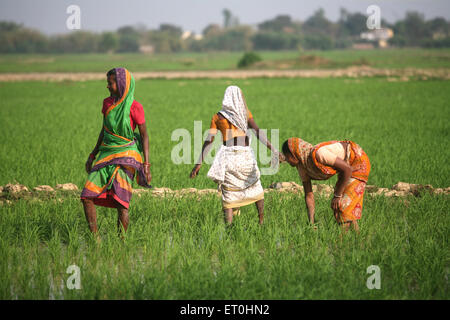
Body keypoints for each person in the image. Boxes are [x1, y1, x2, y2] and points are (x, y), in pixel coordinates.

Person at [190, 85, 282, 225]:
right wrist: (273, 149)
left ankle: (230, 227)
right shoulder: (245, 114)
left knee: (229, 194)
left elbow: (209, 140)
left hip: (229, 158)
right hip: (245, 157)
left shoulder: (217, 117)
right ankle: (261, 221)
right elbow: (258, 132)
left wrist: (198, 163)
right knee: (255, 187)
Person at [80, 67, 152, 239]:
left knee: (121, 202)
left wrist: (146, 165)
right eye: (107, 83)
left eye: (110, 83)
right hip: (106, 152)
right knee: (87, 196)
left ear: (121, 84)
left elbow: (144, 136)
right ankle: (95, 240)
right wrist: (93, 154)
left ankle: (121, 242)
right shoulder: (107, 104)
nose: (108, 86)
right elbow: (104, 130)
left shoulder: (135, 107)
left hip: (128, 153)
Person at [281, 138, 371, 232]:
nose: (287, 160)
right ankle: (358, 240)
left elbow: (347, 169)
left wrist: (337, 195)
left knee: (343, 205)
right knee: (339, 208)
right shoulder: (302, 167)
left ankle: (341, 243)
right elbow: (309, 194)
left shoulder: (319, 154)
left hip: (357, 162)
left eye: (287, 157)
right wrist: (311, 223)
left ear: (294, 153)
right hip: (346, 169)